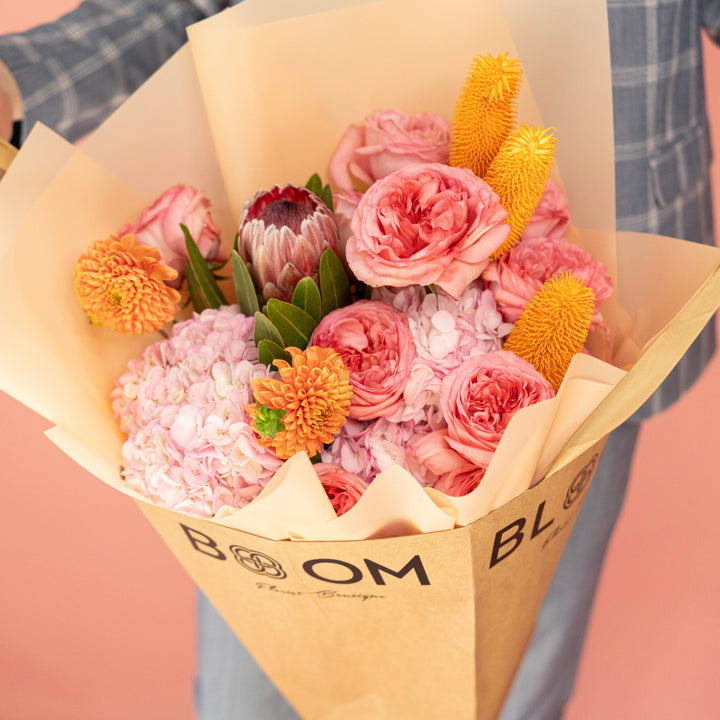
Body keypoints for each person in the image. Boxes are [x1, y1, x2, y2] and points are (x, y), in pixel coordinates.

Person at [1, 1, 718, 718]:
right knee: (256, 694)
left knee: (514, 681)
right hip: (308, 238)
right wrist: (16, 77)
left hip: (606, 290)